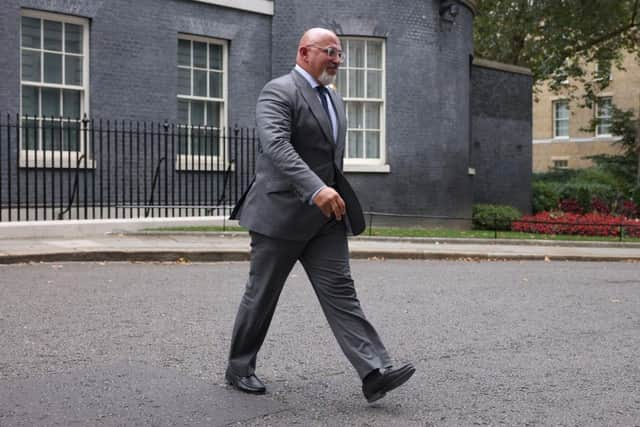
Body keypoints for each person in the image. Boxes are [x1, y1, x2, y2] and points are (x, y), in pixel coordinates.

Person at [226, 27, 415, 403]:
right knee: (262, 295)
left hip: (325, 219)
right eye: (330, 51)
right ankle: (239, 367)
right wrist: (316, 188)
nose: (338, 60)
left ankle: (373, 371)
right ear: (304, 52)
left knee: (342, 293)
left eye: (340, 54)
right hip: (279, 214)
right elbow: (277, 146)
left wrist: (328, 194)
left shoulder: (333, 98)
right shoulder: (278, 91)